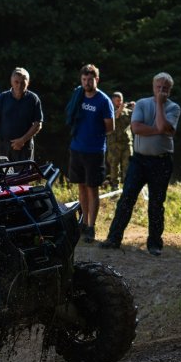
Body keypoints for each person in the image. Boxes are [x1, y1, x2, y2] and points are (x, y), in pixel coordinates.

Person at [100, 72, 181, 256]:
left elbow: (164, 127)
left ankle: (154, 244)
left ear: (170, 90)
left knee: (156, 203)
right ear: (153, 87)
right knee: (127, 198)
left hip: (162, 161)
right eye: (158, 87)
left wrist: (159, 105)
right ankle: (113, 238)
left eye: (165, 88)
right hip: (139, 160)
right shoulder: (142, 104)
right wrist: (159, 130)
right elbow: (136, 128)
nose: (161, 91)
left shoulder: (174, 108)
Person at [65, 65, 115, 243]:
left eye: (90, 79)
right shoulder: (78, 95)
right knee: (81, 186)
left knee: (92, 188)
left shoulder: (103, 100)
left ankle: (92, 226)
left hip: (94, 151)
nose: (87, 83)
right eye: (84, 79)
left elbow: (110, 127)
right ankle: (84, 223)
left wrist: (94, 134)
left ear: (97, 80)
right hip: (76, 148)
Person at [0, 68, 43, 163]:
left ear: (28, 82)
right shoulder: (2, 98)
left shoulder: (33, 99)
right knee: (2, 172)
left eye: (23, 83)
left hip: (24, 147)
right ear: (11, 82)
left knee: (24, 173)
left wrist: (22, 140)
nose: (19, 85)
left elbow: (38, 124)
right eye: (16, 82)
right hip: (3, 146)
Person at [106, 91, 134, 190]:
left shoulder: (127, 111)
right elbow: (115, 117)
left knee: (128, 164)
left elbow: (137, 119)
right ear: (112, 101)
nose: (120, 102)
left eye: (121, 100)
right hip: (114, 143)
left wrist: (135, 109)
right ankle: (115, 185)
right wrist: (120, 109)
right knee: (114, 165)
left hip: (127, 142)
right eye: (117, 100)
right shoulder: (109, 110)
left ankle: (128, 184)